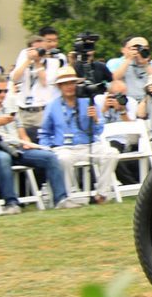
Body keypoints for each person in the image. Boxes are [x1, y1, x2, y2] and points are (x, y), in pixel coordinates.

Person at [0, 75, 77, 211]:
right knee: (3, 158)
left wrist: (27, 143)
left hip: (16, 149)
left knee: (50, 157)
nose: (3, 94)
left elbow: (22, 134)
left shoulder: (11, 108)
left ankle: (61, 199)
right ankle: (11, 203)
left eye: (5, 91)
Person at [39, 67, 118, 203]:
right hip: (65, 147)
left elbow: (99, 130)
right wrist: (47, 150)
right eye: (65, 84)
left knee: (111, 153)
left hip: (89, 145)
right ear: (59, 86)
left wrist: (96, 119)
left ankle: (101, 194)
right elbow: (44, 132)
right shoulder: (52, 106)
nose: (69, 87)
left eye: (71, 83)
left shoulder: (87, 101)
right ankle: (66, 197)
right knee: (63, 159)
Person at [107, 36, 152, 103]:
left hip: (151, 100)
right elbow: (115, 79)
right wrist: (129, 59)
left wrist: (145, 64)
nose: (139, 51)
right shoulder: (123, 65)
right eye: (135, 48)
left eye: (144, 48)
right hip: (129, 101)